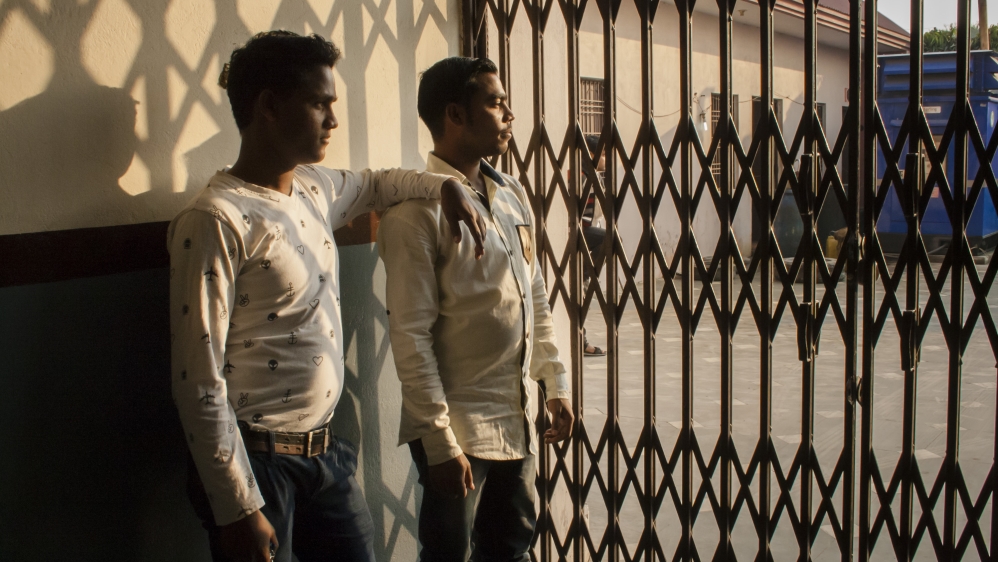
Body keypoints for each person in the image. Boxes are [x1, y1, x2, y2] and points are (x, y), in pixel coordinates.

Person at [168, 32, 485, 562]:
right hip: (258, 464)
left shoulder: (314, 188)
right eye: (319, 104)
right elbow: (198, 379)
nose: (333, 120)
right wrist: (238, 506)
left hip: (327, 454)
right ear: (269, 105)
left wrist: (443, 187)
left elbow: (381, 183)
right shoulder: (215, 219)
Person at [376, 56, 574, 561]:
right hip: (458, 429)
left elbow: (534, 294)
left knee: (511, 548)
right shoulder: (415, 216)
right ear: (454, 116)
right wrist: (439, 442)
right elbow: (411, 337)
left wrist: (554, 382)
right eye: (495, 102)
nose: (509, 115)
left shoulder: (511, 194)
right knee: (449, 554)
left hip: (517, 416)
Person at [581, 134, 607, 356]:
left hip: (585, 233)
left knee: (581, 298)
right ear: (591, 153)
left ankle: (582, 341)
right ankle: (586, 271)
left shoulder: (592, 175)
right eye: (604, 154)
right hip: (579, 234)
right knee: (610, 238)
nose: (606, 159)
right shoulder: (581, 175)